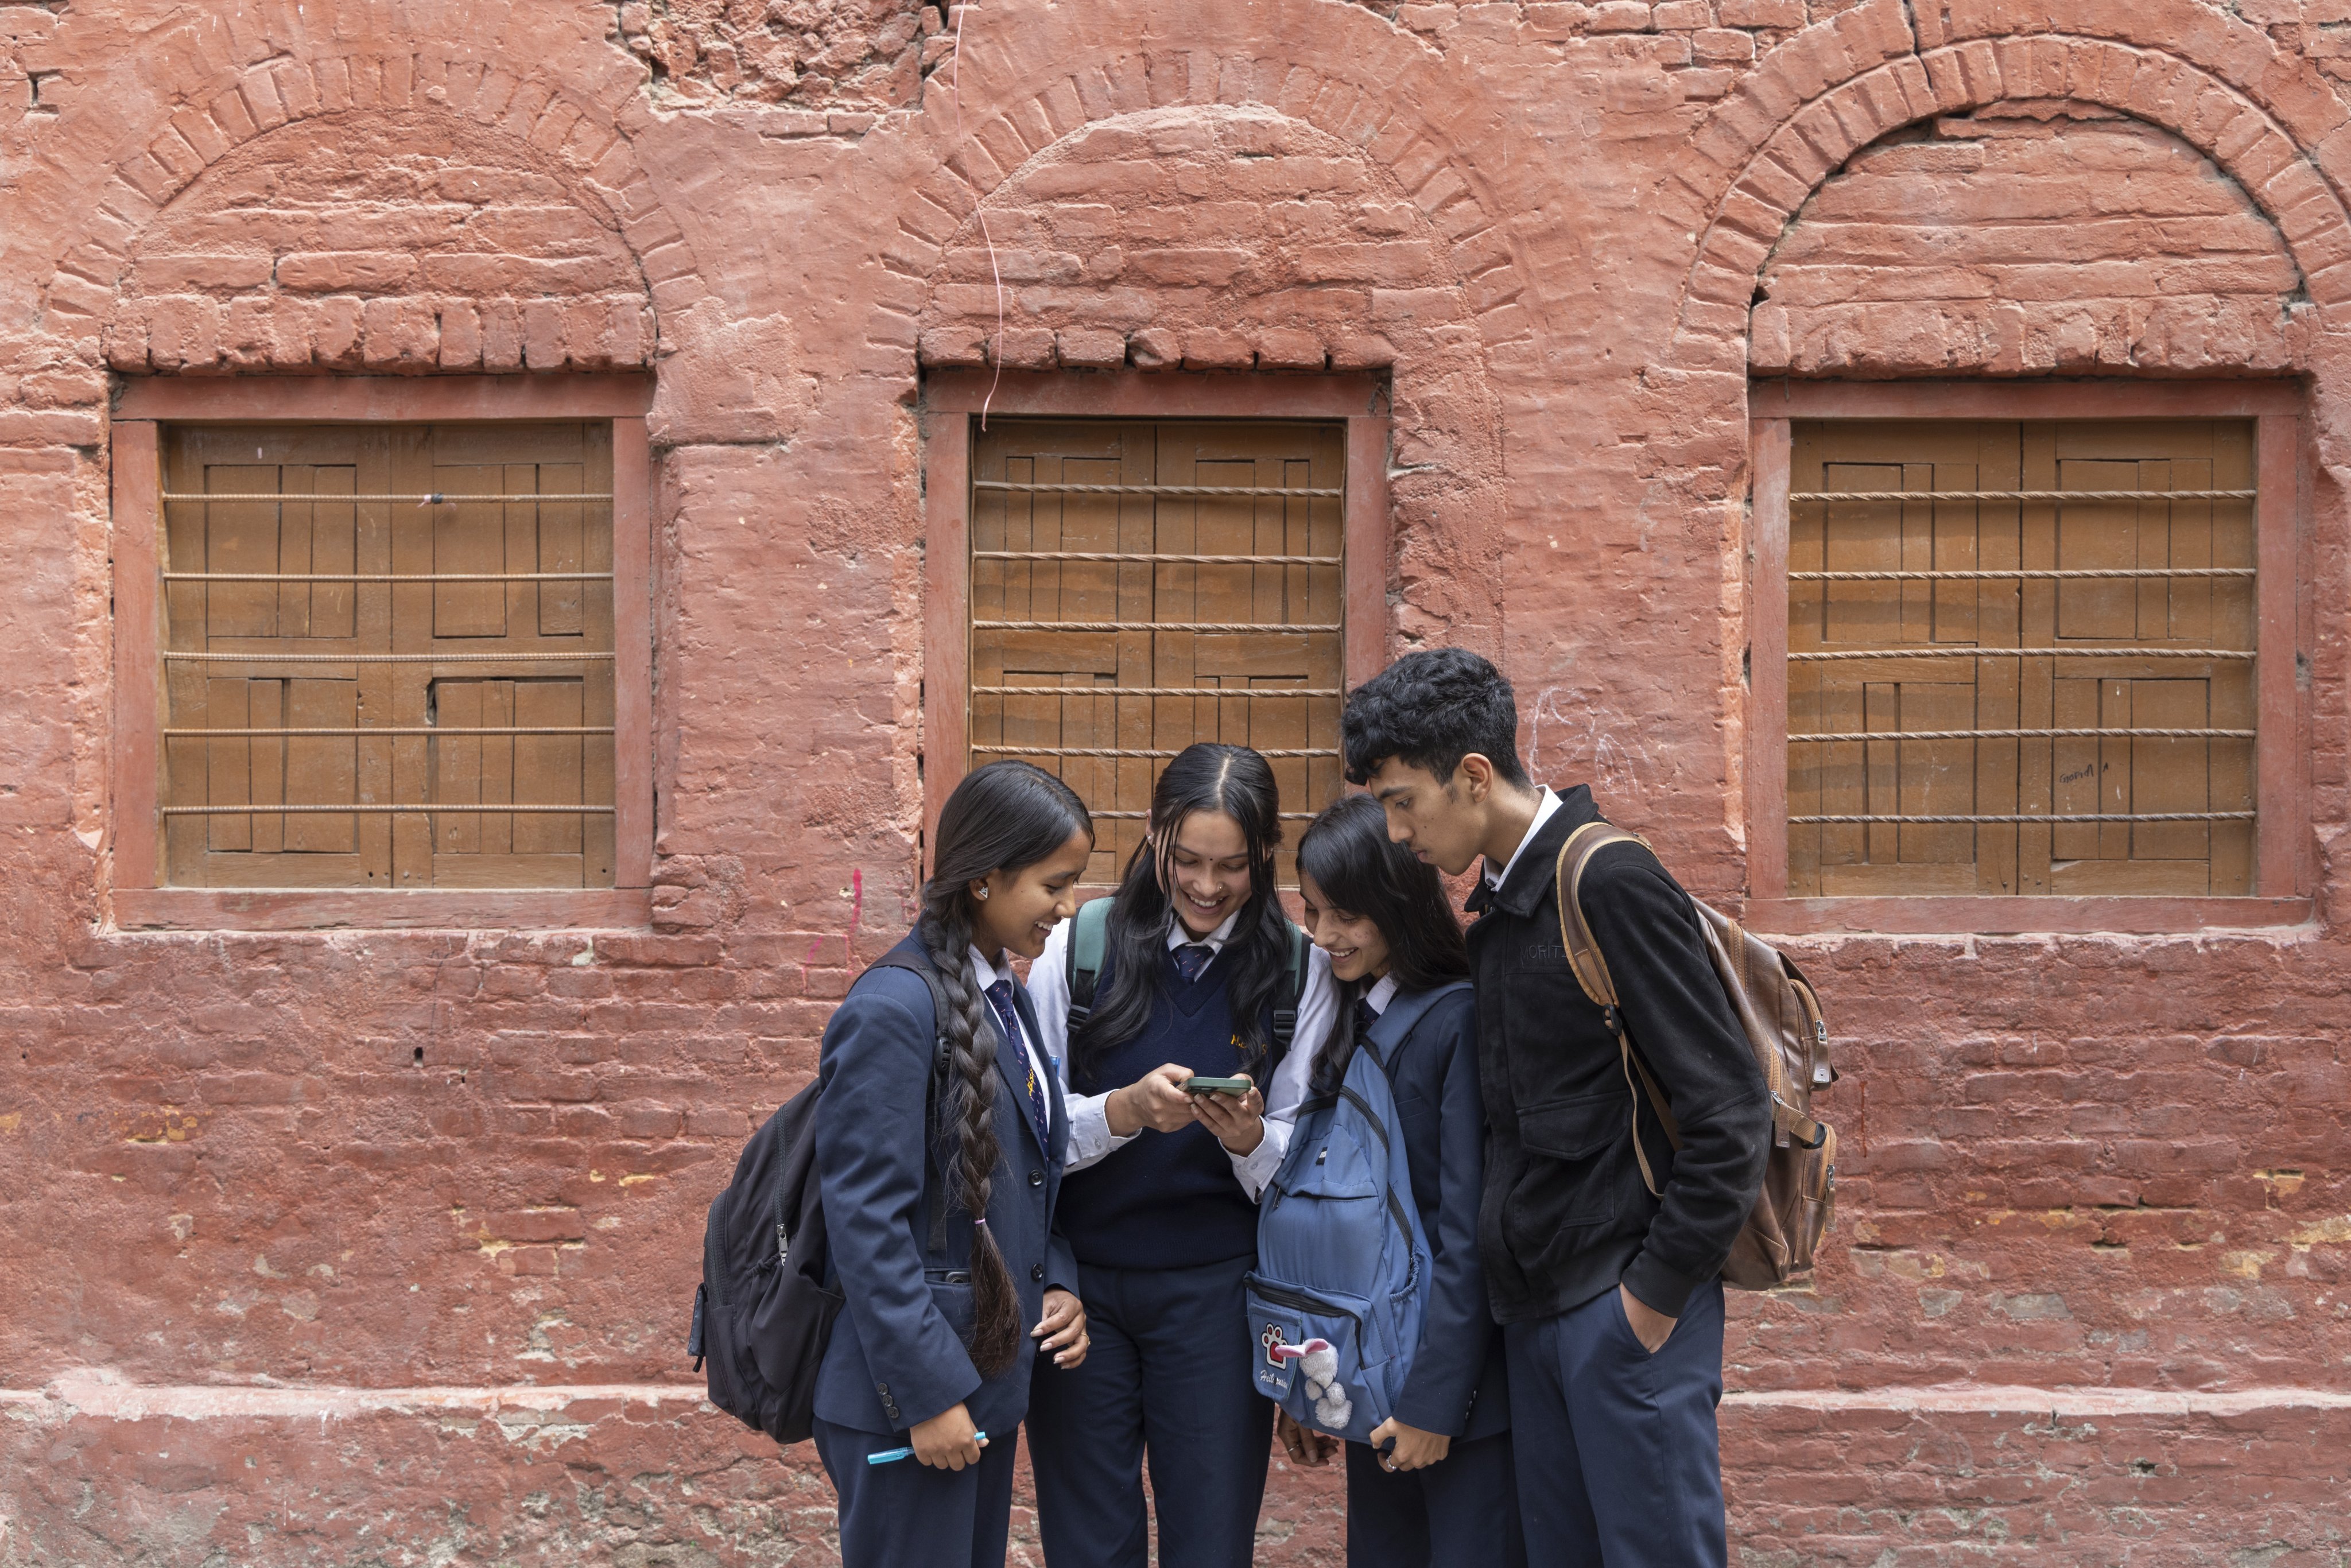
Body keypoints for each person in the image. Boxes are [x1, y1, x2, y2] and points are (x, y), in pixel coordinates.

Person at [1339, 649, 1770, 1568]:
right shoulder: (1496, 909)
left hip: (1623, 1312)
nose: (1395, 828)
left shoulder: (1606, 881)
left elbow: (1731, 1115)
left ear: (1475, 776)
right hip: (1536, 1318)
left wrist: (1647, 1306)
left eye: (1403, 799)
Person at [1023, 742, 1337, 1568]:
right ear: (1155, 838)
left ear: (1266, 856)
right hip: (1080, 1295)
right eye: (1187, 860)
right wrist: (1122, 1114)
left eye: (1232, 866)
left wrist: (1248, 1143)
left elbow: (1309, 1166)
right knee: (1089, 1542)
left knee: (1211, 1540)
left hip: (1218, 1301)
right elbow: (1027, 1127)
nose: (1206, 886)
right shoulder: (1080, 949)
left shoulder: (1301, 971)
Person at [810, 760, 1098, 1568]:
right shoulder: (893, 1010)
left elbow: (1025, 1172)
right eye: (1054, 885)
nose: (1067, 907)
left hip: (984, 1382)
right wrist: (928, 1395)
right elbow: (864, 1220)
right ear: (987, 880)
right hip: (914, 1400)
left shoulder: (999, 996)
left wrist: (1059, 1281)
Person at [1281, 792, 1526, 1568]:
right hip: (1372, 1379)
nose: (1324, 938)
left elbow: (1466, 1230)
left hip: (1448, 1401)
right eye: (1314, 915)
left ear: (1395, 901)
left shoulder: (1451, 1020)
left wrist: (1436, 1403)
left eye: (1343, 916)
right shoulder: (1354, 1016)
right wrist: (1315, 1382)